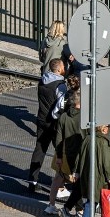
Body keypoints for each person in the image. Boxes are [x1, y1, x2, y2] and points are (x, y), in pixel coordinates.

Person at [27, 58, 67, 194]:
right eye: (63, 66)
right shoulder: (60, 85)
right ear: (59, 69)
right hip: (54, 123)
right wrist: (57, 117)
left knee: (39, 149)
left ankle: (32, 180)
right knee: (61, 152)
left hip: (41, 119)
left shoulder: (42, 80)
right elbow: (60, 105)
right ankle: (61, 185)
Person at [72, 124, 110, 217]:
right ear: (102, 128)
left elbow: (79, 156)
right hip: (100, 178)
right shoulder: (103, 142)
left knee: (96, 200)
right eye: (107, 126)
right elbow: (107, 163)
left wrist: (76, 172)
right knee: (95, 202)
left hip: (87, 175)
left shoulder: (87, 138)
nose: (108, 128)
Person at [49, 89, 85, 217]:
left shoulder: (64, 116)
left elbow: (58, 138)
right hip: (79, 154)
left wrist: (58, 156)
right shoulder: (84, 117)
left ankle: (51, 205)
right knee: (78, 182)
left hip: (64, 153)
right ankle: (79, 210)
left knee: (58, 178)